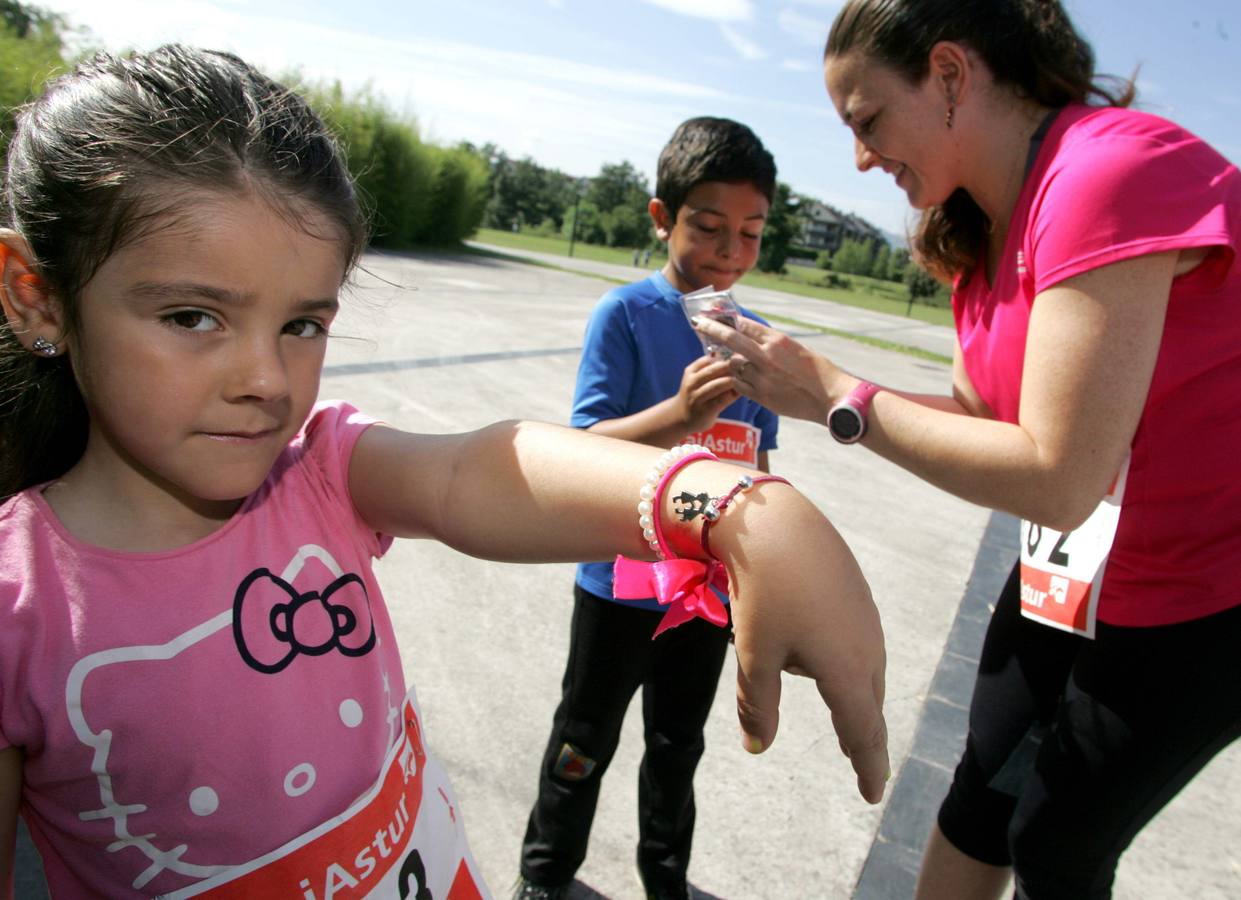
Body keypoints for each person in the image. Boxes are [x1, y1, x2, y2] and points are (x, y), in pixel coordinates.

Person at [0, 46, 890, 900]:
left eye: (303, 325)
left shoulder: (319, 470)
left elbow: (478, 471)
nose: (266, 381)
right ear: (35, 294)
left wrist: (740, 509)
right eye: (194, 317)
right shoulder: (17, 611)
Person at [692, 2, 1241, 898]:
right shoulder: (974, 228)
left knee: (1056, 844)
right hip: (1077, 571)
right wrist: (800, 386)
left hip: (1207, 591)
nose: (861, 157)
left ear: (948, 74)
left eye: (867, 121)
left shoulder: (1105, 172)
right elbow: (979, 419)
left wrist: (839, 394)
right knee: (979, 798)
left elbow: (1058, 479)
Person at [514, 117, 779, 900]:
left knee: (677, 744)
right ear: (662, 217)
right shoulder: (626, 315)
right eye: (706, 226)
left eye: (750, 233)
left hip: (703, 592)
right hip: (620, 579)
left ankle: (665, 877)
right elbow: (585, 445)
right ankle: (544, 873)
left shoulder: (753, 338)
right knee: (583, 736)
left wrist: (757, 578)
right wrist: (679, 415)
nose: (727, 251)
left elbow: (755, 474)